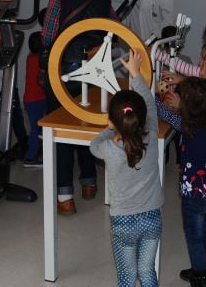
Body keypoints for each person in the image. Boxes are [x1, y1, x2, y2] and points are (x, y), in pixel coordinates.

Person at [41, 0, 114, 215]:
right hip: (95, 71)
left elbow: (49, 32)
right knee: (87, 122)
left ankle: (65, 197)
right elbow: (113, 31)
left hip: (62, 70)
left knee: (60, 128)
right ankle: (89, 182)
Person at [90, 49, 164, 287]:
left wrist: (111, 129)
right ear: (141, 120)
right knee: (147, 271)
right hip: (153, 217)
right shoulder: (152, 137)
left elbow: (94, 145)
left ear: (112, 121)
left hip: (124, 222)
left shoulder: (109, 150)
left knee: (127, 277)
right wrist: (135, 74)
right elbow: (150, 106)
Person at [156, 77, 206, 286]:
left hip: (194, 193)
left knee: (194, 234)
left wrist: (153, 97)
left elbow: (163, 113)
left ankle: (200, 274)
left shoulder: (188, 126)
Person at [0, 24, 28, 153]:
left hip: (8, 88)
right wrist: (3, 86)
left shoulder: (5, 44)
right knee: (0, 121)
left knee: (17, 119)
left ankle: (24, 145)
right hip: (0, 91)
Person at [23, 32, 46, 167]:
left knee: (37, 129)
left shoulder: (30, 57)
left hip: (32, 99)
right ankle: (30, 158)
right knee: (35, 130)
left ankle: (36, 150)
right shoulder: (40, 59)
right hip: (36, 100)